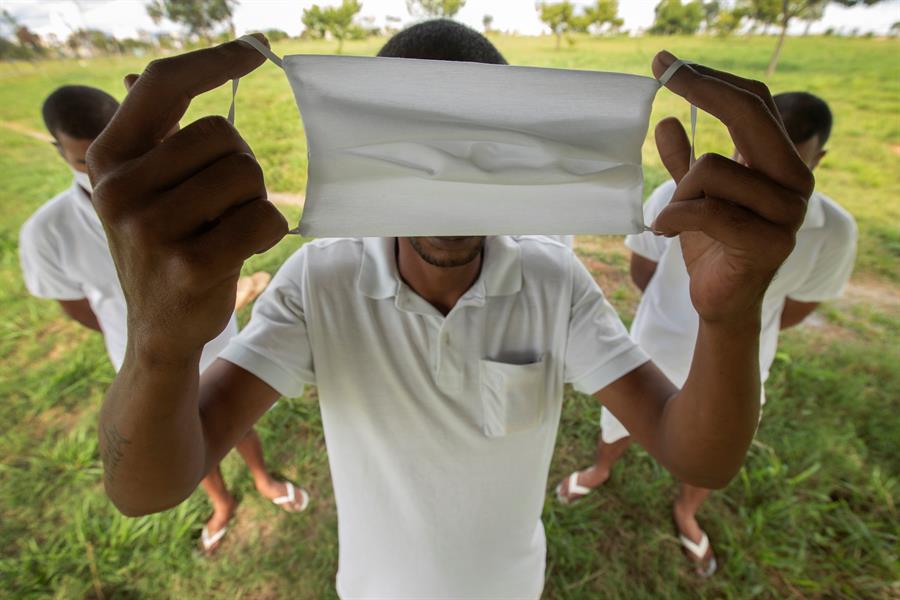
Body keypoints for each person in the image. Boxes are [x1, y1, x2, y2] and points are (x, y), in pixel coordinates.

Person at [87, 19, 813, 598]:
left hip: (510, 585)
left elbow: (697, 454)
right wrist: (160, 346)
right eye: (413, 153)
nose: (446, 189)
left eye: (481, 151)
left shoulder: (553, 281)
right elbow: (148, 486)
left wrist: (729, 316)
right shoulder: (320, 282)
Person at [555, 91, 857, 576]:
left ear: (816, 160)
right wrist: (692, 309)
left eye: (786, 159)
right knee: (620, 419)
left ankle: (687, 511)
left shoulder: (834, 231)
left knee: (716, 445)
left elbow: (796, 309)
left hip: (740, 362)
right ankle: (601, 468)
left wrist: (731, 318)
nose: (761, 171)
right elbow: (643, 270)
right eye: (751, 151)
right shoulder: (678, 194)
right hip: (653, 344)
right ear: (737, 139)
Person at [18, 85, 310, 556]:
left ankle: (262, 478)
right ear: (59, 151)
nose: (104, 170)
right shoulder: (46, 233)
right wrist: (146, 336)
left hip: (219, 341)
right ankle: (220, 501)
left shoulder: (188, 198)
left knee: (234, 418)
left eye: (115, 147)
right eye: (85, 160)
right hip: (136, 355)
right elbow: (74, 305)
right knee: (180, 434)